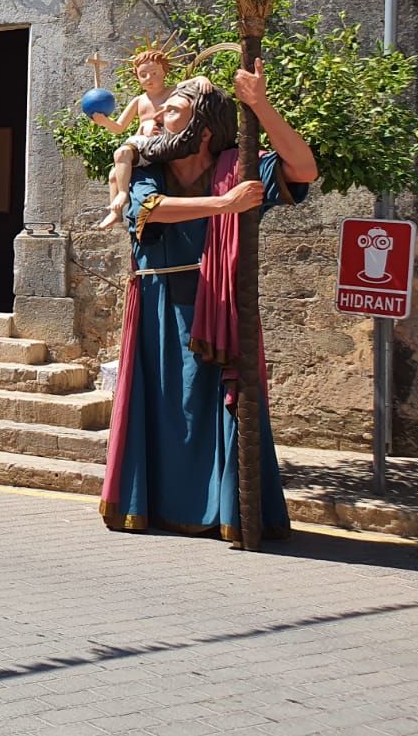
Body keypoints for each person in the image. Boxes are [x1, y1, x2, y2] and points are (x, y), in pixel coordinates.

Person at [99, 60, 318, 542]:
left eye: (170, 111)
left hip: (220, 301)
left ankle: (226, 509)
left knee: (220, 406)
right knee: (163, 407)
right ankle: (154, 505)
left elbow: (303, 168)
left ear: (201, 129)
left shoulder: (234, 167)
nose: (154, 119)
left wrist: (260, 105)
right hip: (160, 306)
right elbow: (150, 211)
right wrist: (226, 204)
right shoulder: (146, 169)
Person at [92, 45, 174, 230]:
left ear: (164, 71)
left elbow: (188, 97)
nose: (149, 78)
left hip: (161, 141)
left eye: (154, 73)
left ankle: (123, 194)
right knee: (114, 174)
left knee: (121, 154)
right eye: (143, 75)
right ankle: (115, 213)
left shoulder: (173, 93)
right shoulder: (139, 100)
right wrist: (104, 121)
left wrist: (202, 80)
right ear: (137, 77)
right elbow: (120, 128)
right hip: (141, 143)